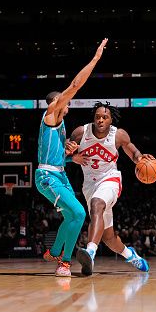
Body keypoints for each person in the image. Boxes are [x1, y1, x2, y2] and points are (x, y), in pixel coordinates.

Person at [36, 38, 108, 277]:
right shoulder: (52, 113)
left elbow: (54, 153)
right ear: (57, 102)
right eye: (64, 100)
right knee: (78, 213)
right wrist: (96, 58)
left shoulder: (59, 122)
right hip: (48, 176)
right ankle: (64, 261)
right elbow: (76, 84)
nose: (69, 101)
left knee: (71, 216)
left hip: (59, 173)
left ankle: (54, 250)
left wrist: (69, 157)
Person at [66, 102, 153, 275]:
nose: (100, 120)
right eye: (97, 117)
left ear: (111, 120)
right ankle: (131, 255)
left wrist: (142, 159)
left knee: (97, 204)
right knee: (108, 237)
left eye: (105, 117)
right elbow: (61, 154)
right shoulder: (81, 132)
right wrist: (72, 158)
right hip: (90, 184)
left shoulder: (118, 135)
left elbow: (133, 153)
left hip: (110, 179)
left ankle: (90, 252)